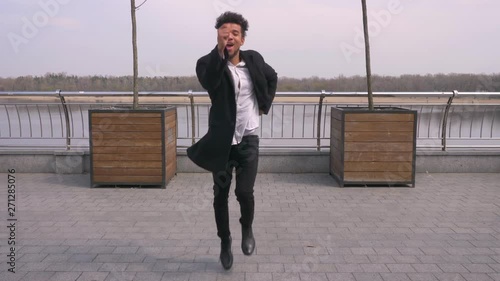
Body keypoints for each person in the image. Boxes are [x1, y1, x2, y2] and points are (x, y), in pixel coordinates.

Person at [187, 11, 278, 270]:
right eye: (224, 31)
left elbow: (272, 77)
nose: (229, 35)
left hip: (249, 139)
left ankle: (246, 228)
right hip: (222, 143)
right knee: (220, 195)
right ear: (218, 36)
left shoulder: (254, 60)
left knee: (244, 192)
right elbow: (211, 83)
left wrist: (264, 103)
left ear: (243, 39)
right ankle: (225, 242)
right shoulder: (207, 63)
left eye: (235, 32)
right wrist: (220, 54)